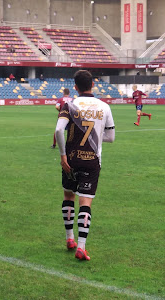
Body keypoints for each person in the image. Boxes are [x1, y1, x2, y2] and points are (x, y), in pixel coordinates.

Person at [55, 70, 115, 261]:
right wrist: (94, 137)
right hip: (92, 161)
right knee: (85, 202)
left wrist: (63, 154)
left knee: (68, 195)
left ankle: (69, 239)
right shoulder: (104, 107)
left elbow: (58, 130)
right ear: (93, 85)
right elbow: (111, 137)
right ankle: (81, 247)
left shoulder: (69, 105)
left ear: (75, 87)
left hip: (70, 159)